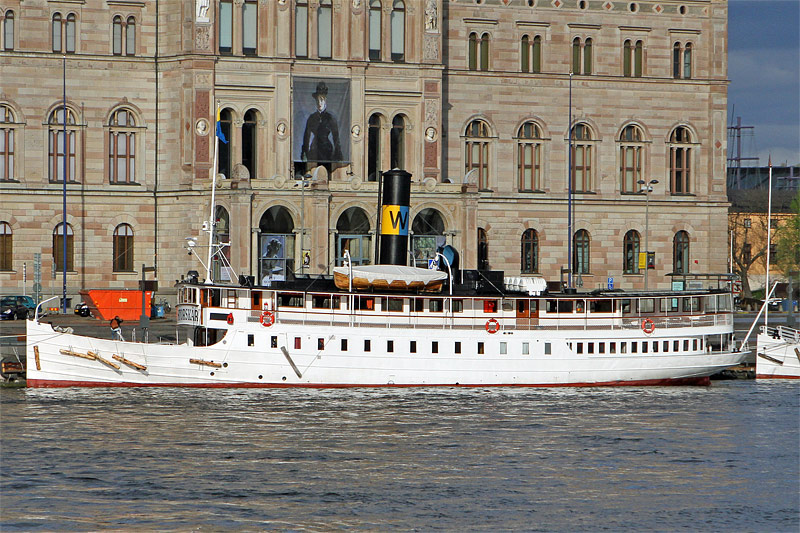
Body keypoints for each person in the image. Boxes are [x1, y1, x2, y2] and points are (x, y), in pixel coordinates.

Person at [301, 81, 342, 164]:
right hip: (314, 150)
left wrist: (338, 154)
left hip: (327, 151)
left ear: (325, 101)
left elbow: (336, 138)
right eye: (317, 100)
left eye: (321, 100)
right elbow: (306, 137)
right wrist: (304, 152)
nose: (319, 103)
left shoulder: (330, 118)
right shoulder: (311, 118)